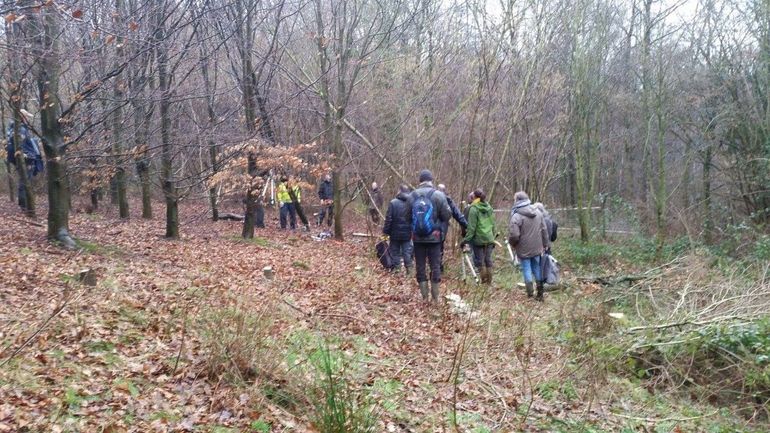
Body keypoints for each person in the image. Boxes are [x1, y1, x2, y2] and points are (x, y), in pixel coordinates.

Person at [411, 169, 451, 302]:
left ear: (420, 181)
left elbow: (406, 217)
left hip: (417, 238)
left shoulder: (412, 195)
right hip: (435, 237)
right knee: (435, 266)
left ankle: (424, 298)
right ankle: (435, 299)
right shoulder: (439, 195)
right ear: (431, 180)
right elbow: (446, 215)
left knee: (420, 266)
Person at [509, 191, 550, 301]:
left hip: (523, 248)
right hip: (537, 247)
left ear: (517, 200)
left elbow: (514, 235)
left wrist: (512, 244)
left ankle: (530, 295)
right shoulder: (538, 212)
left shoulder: (516, 216)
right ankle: (540, 294)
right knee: (537, 268)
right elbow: (544, 229)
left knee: (526, 269)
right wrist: (546, 244)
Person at [6, 120, 44, 211]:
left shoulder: (13, 130)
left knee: (24, 180)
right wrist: (28, 156)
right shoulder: (21, 129)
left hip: (20, 159)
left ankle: (24, 204)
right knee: (25, 181)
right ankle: (25, 206)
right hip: (26, 159)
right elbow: (21, 145)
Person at [462, 189, 497, 284]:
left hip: (478, 239)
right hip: (489, 238)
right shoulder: (489, 207)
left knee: (480, 262)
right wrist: (493, 237)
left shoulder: (473, 209)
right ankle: (489, 283)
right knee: (488, 260)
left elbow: (471, 227)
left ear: (475, 198)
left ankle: (484, 283)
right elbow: (493, 224)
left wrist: (466, 240)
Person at [382, 184, 413, 275]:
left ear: (399, 191)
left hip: (394, 234)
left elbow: (388, 219)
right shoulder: (411, 203)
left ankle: (397, 271)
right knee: (407, 252)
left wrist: (385, 232)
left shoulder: (393, 203)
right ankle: (410, 272)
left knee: (395, 252)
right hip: (407, 234)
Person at [437, 184, 468, 271]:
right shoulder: (447, 200)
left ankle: (434, 268)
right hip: (441, 231)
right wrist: (467, 226)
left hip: (429, 230)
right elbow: (458, 215)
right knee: (439, 249)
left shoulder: (431, 198)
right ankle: (438, 269)